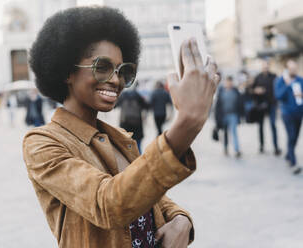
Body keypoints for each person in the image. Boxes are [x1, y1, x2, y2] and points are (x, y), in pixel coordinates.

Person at [23, 6, 219, 248]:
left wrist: (180, 218)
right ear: (67, 72)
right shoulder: (42, 143)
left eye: (123, 71)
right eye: (102, 67)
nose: (116, 80)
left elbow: (148, 195)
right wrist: (186, 124)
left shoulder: (117, 138)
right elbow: (108, 204)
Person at [275, 60, 303, 175]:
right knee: (291, 136)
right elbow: (278, 96)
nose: (294, 71)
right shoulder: (281, 81)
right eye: (291, 69)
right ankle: (293, 163)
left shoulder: (300, 80)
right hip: (287, 114)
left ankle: (288, 155)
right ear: (286, 69)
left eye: (295, 69)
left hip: (299, 113)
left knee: (295, 137)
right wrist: (287, 85)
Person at [252, 60, 281, 155]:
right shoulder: (258, 77)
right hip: (261, 105)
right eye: (264, 67)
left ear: (269, 67)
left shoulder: (274, 76)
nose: (265, 68)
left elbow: (277, 89)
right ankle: (261, 146)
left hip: (271, 104)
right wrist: (256, 90)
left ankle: (276, 147)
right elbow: (252, 89)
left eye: (267, 66)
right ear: (262, 67)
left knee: (273, 125)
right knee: (260, 126)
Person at [116, 82, 149, 153]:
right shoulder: (138, 96)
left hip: (125, 123)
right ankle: (139, 159)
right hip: (137, 124)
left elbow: (115, 106)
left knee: (125, 144)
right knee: (138, 144)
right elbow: (147, 106)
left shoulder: (123, 95)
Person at [215, 76, 243, 157]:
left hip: (233, 114)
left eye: (230, 82)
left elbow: (240, 103)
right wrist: (217, 118)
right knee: (225, 133)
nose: (229, 84)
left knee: (234, 132)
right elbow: (217, 106)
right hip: (223, 115)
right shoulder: (221, 92)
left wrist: (240, 115)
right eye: (227, 82)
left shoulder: (235, 91)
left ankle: (236, 149)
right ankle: (225, 148)